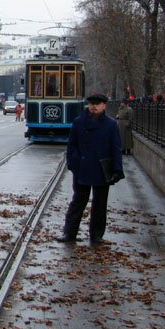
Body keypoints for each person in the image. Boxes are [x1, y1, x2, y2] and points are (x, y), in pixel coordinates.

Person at [57, 93, 123, 245]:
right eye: (92, 103)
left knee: (100, 204)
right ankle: (69, 233)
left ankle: (96, 235)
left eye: (98, 103)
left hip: (102, 168)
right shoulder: (79, 122)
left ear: (104, 105)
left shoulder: (111, 124)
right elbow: (71, 144)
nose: (94, 106)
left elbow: (116, 148)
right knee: (78, 201)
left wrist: (117, 170)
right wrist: (73, 162)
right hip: (82, 167)